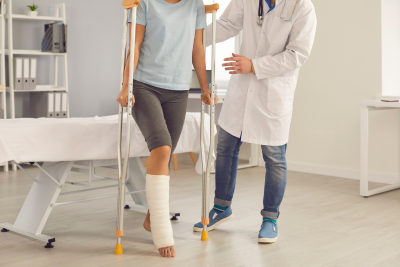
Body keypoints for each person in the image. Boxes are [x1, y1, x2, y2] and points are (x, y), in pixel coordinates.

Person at [193, 0, 317, 244]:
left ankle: (270, 218)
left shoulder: (302, 7)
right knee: (225, 148)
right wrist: (193, 38)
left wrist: (254, 65)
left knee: (274, 157)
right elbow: (226, 24)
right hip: (242, 90)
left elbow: (297, 55)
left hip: (273, 90)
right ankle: (221, 208)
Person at [116, 0, 217, 258]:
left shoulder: (195, 5)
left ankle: (152, 217)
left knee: (167, 151)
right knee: (161, 148)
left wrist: (204, 88)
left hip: (179, 89)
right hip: (144, 85)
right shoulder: (145, 3)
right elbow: (134, 45)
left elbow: (197, 48)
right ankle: (162, 232)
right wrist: (126, 85)